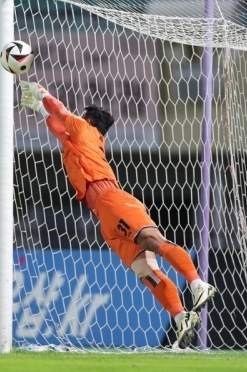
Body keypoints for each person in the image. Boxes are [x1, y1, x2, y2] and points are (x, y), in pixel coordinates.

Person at [19, 80, 216, 349]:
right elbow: (56, 127)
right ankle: (180, 316)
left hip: (112, 200)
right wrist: (41, 111)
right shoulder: (77, 141)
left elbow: (60, 110)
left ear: (87, 119)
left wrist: (41, 94)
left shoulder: (84, 129)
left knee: (152, 241)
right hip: (104, 216)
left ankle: (196, 283)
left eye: (80, 116)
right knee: (147, 272)